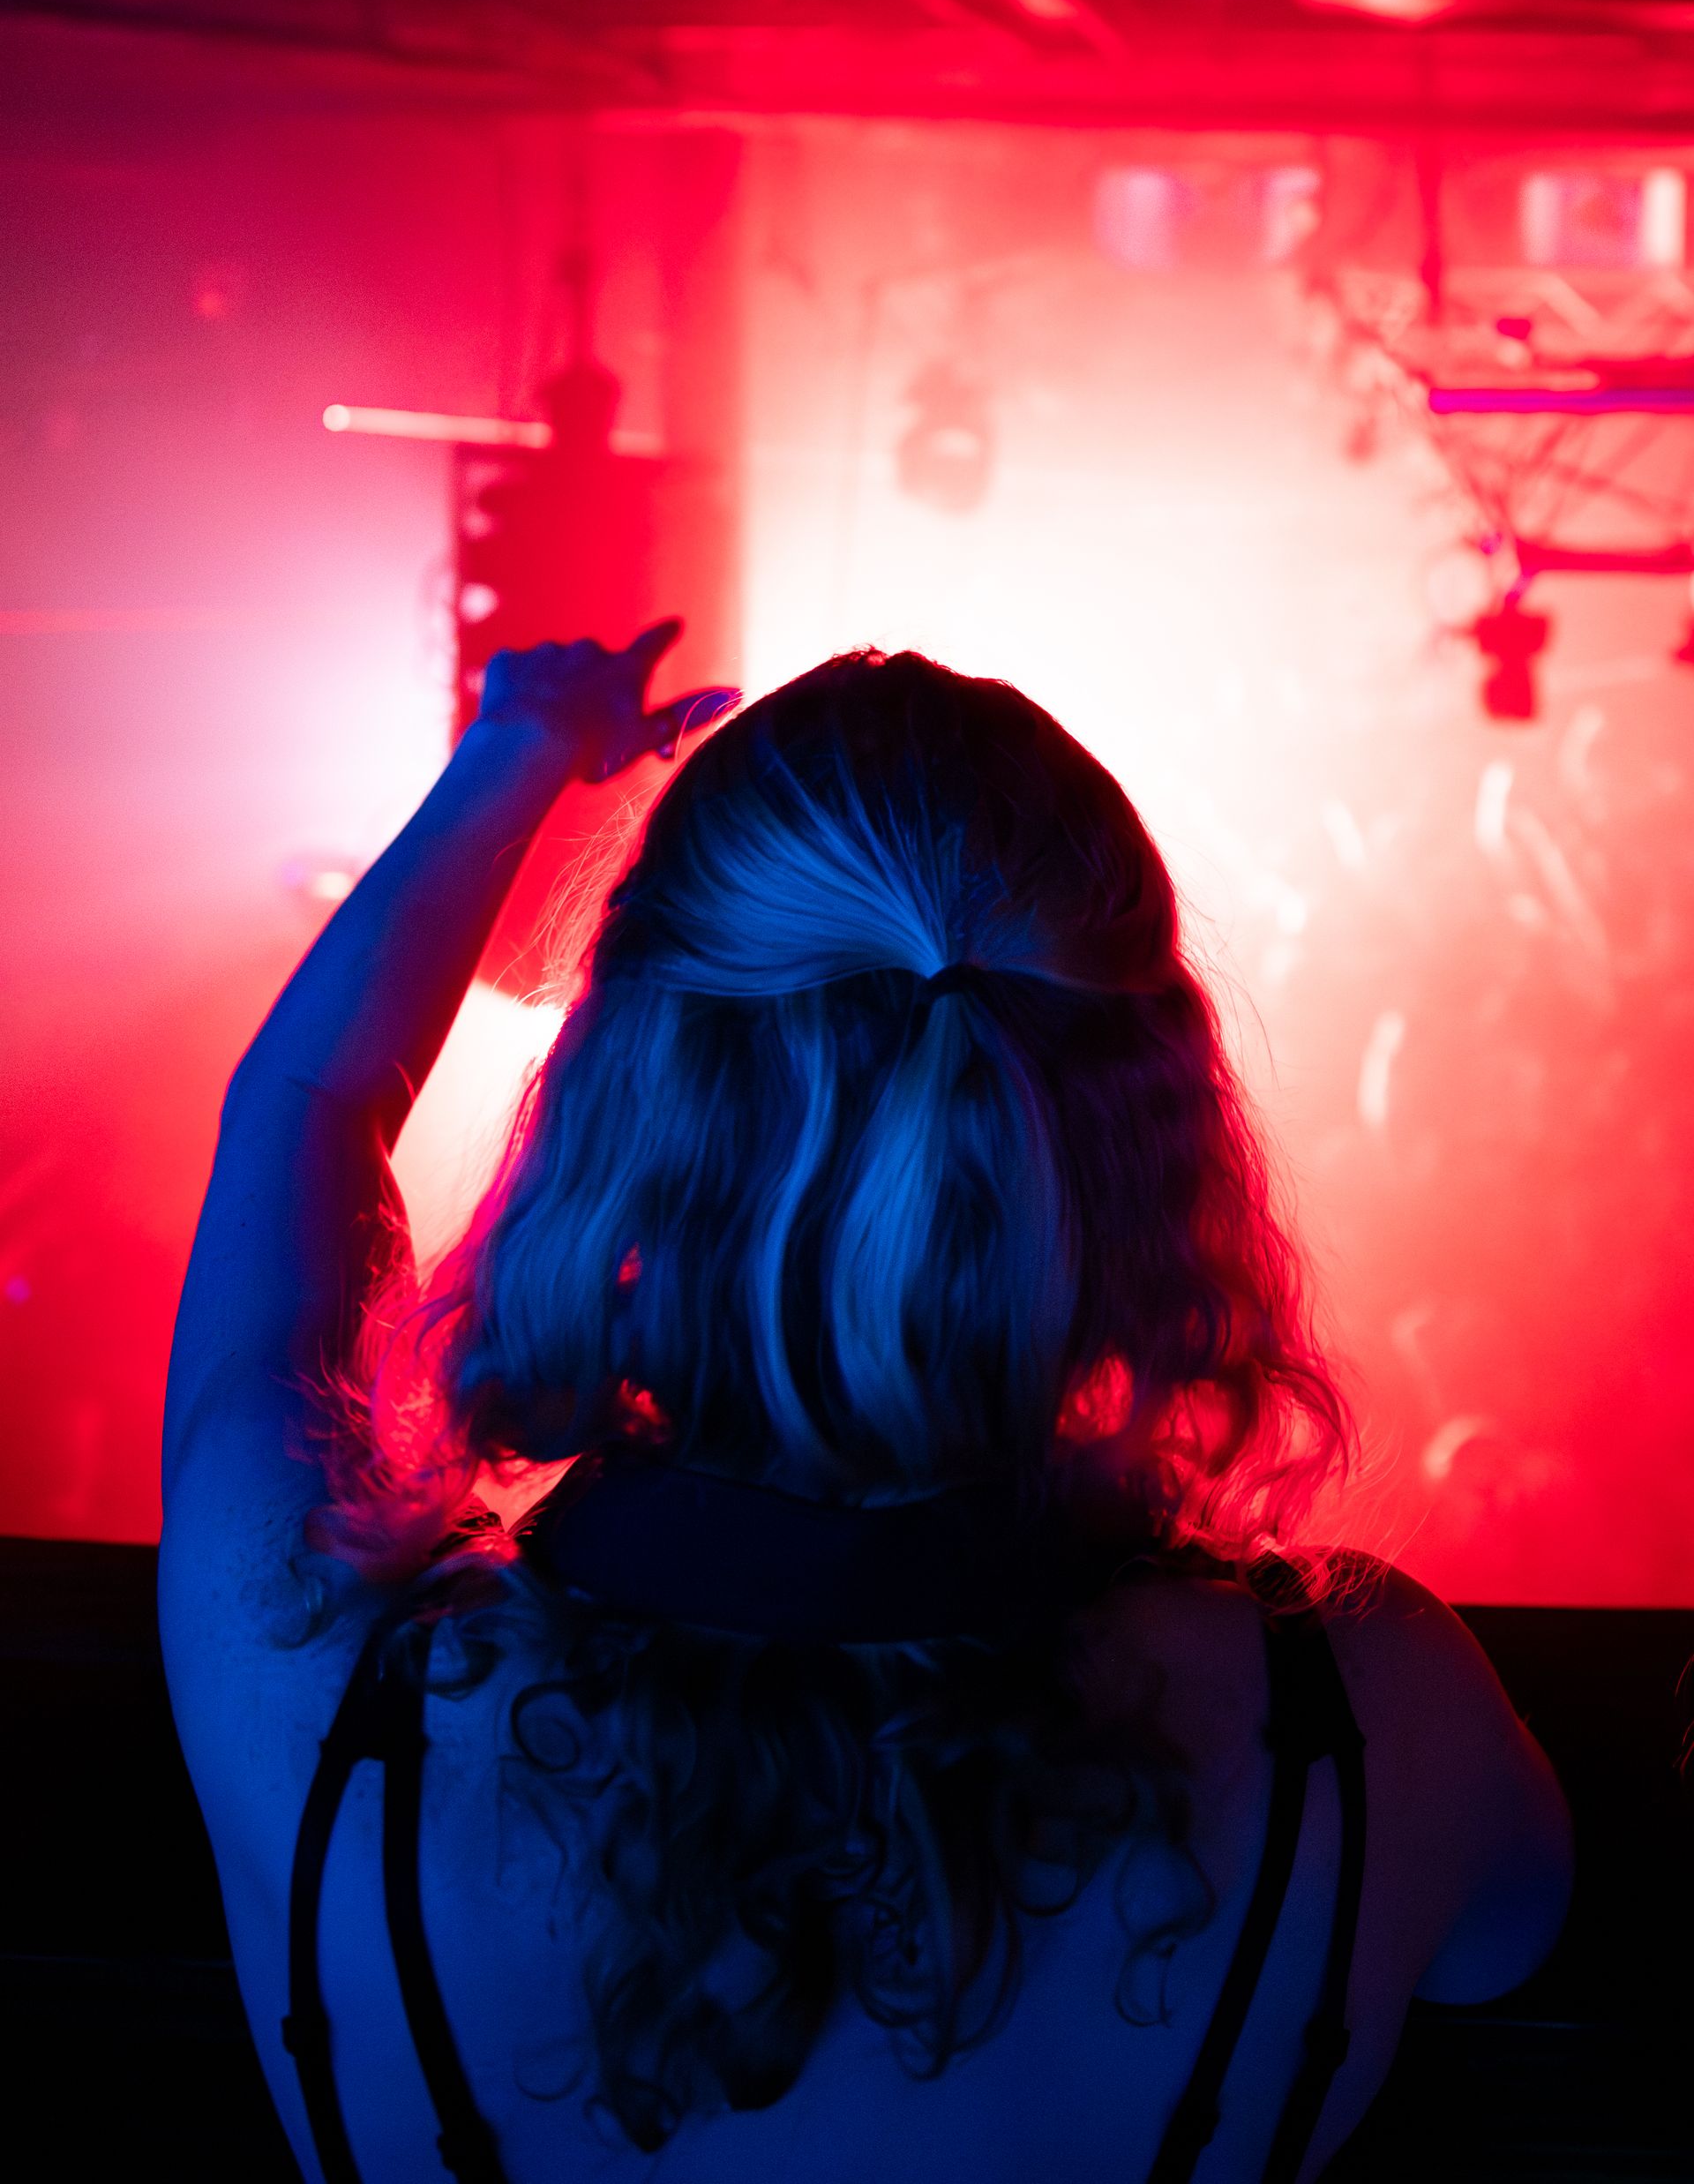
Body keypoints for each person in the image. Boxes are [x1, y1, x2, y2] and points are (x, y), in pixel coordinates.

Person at [161, 626, 1572, 2184]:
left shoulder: (315, 1656)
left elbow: (306, 1106)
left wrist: (525, 747)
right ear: (1150, 1148)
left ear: (629, 1086)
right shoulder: (1367, 1714)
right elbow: (1510, 1939)